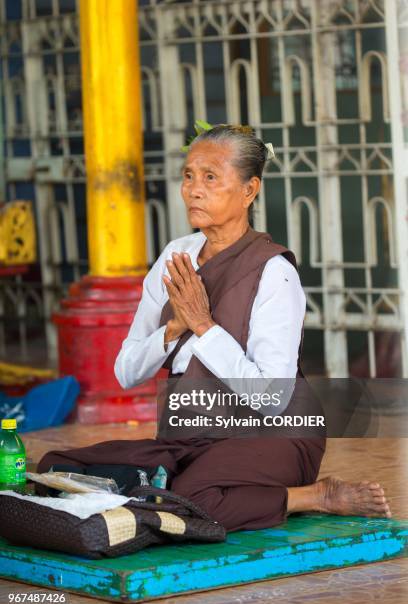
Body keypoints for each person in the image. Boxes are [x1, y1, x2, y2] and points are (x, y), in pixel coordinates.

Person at [37, 125, 391, 531]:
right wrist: (173, 328)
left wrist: (204, 327)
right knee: (59, 468)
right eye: (188, 176)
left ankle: (314, 496)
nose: (193, 190)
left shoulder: (274, 273)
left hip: (273, 434)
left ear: (249, 190)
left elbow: (273, 399)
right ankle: (174, 489)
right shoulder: (177, 256)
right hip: (190, 434)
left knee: (187, 502)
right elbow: (125, 371)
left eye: (210, 178)